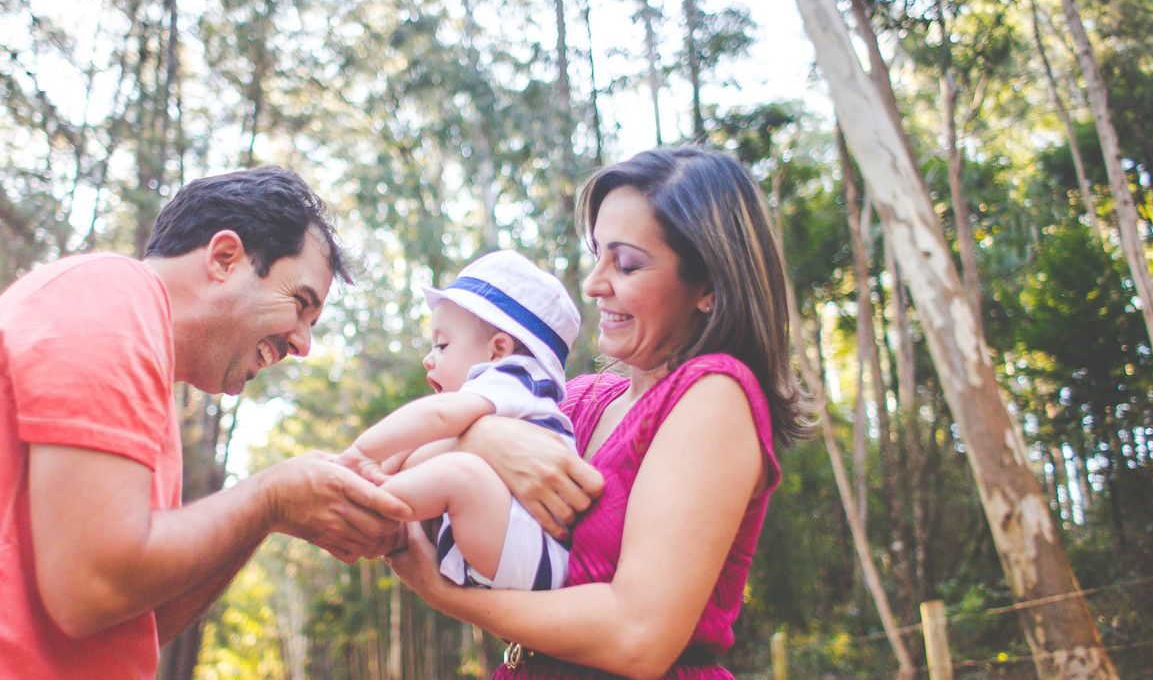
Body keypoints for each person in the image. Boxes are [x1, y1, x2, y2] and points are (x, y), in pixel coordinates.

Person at [387, 144, 817, 680]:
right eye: (597, 256)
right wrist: (481, 437)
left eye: (627, 264)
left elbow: (637, 638)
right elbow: (404, 465)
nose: (592, 284)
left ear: (708, 284)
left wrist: (443, 594)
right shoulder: (581, 400)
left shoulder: (715, 395)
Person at [0, 165, 411, 680]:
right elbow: (92, 588)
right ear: (224, 258)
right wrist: (270, 498)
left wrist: (271, 515)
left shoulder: (144, 372)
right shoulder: (112, 294)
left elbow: (134, 618)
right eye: (300, 304)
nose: (303, 344)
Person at [337, 249, 581, 592]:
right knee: (451, 467)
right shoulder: (510, 399)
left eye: (442, 345)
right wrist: (380, 465)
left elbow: (436, 416)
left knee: (458, 474)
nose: (428, 358)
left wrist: (362, 453)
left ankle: (359, 507)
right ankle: (362, 500)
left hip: (529, 547)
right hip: (519, 547)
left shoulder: (515, 376)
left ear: (498, 350)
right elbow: (426, 437)